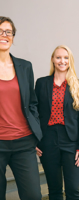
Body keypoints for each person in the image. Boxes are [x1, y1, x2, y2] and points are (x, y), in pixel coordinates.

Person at [35, 45, 79, 200]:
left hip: (71, 141)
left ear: (70, 61)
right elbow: (34, 114)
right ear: (52, 60)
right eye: (58, 57)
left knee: (73, 190)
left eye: (66, 58)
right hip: (48, 140)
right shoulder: (41, 83)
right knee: (54, 189)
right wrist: (36, 140)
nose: (62, 61)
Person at [0, 16, 42, 200]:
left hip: (23, 142)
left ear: (13, 36)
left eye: (8, 32)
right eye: (0, 31)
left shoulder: (25, 67)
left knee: (33, 195)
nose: (4, 35)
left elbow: (32, 103)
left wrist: (36, 133)